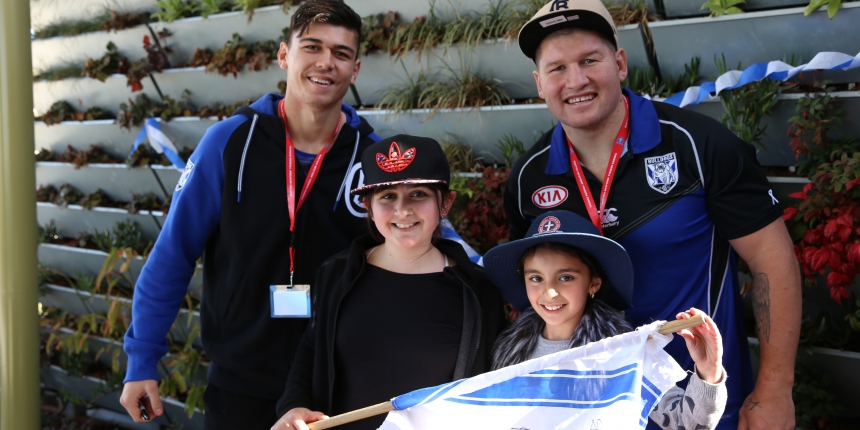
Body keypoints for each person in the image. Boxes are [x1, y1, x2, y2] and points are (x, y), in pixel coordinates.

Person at [504, 1, 801, 429]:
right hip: (593, 412)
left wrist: (774, 390)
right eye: (557, 69)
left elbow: (772, 260)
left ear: (620, 63)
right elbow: (533, 299)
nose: (576, 80)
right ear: (538, 83)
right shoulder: (527, 180)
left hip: (705, 400)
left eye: (590, 60)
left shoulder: (699, 145)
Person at [118, 1, 381, 428]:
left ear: (355, 69)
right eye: (311, 47)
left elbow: (426, 241)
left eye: (341, 53)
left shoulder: (372, 157)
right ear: (284, 55)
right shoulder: (229, 142)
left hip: (337, 382)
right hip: (240, 382)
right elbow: (174, 253)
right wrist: (142, 358)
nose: (325, 63)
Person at [271, 135, 505, 430]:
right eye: (387, 196)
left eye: (418, 194)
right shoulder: (336, 274)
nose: (403, 210)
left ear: (445, 203)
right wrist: (293, 405)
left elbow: (494, 387)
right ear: (368, 205)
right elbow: (310, 349)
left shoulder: (479, 291)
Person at [485, 210, 727, 429]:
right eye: (536, 278)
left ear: (594, 283)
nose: (549, 293)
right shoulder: (508, 354)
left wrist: (709, 373)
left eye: (566, 277)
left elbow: (685, 424)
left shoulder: (622, 355)